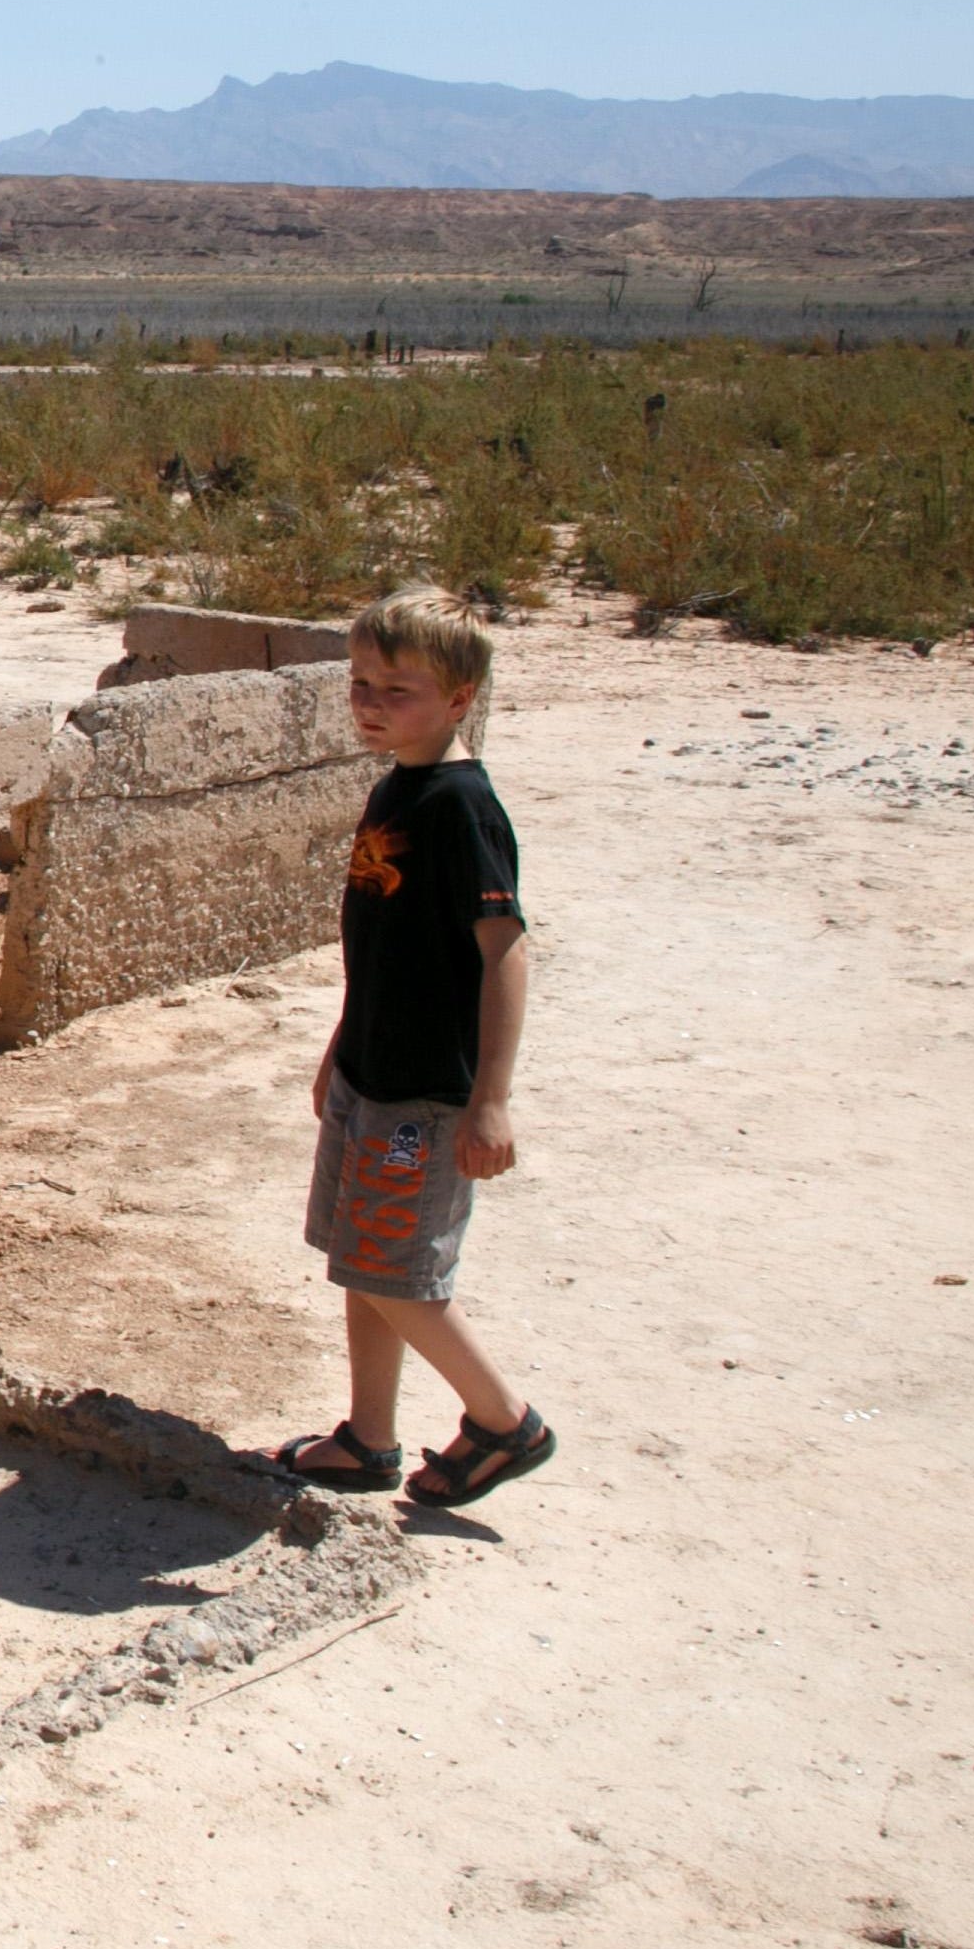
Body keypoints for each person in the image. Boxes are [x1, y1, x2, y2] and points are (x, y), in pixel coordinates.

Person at [272, 588, 558, 1508]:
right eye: (360, 682)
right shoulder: (397, 785)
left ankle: (504, 1422)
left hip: (425, 1093)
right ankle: (369, 1436)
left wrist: (493, 1098)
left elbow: (504, 950)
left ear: (460, 696)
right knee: (367, 1263)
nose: (370, 703)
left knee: (399, 1269)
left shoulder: (461, 808)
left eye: (397, 689)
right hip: (372, 1071)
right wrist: (339, 1050)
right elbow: (382, 946)